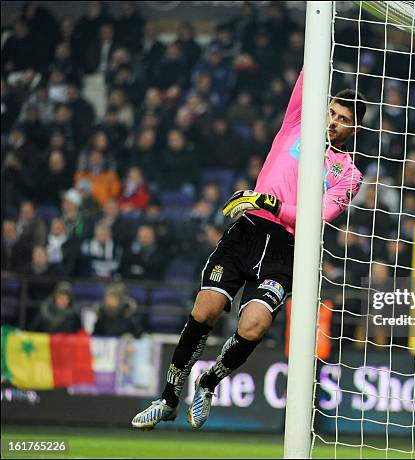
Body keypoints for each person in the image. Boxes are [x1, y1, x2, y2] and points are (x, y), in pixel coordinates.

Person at [132, 67, 366, 430]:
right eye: (331, 113)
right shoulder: (296, 125)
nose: (334, 122)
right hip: (248, 232)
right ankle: (168, 397)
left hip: (287, 250)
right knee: (206, 309)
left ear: (354, 129)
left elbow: (315, 217)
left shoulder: (348, 175)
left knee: (254, 326)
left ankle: (208, 382)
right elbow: (308, 69)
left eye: (343, 119)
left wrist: (270, 203)